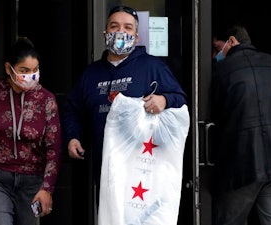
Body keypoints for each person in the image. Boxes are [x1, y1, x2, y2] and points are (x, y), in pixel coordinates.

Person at [63, 5, 187, 206]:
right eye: (115, 26)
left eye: (128, 27)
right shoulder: (91, 74)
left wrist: (164, 100)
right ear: (105, 34)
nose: (121, 32)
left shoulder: (152, 67)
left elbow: (180, 99)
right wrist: (72, 137)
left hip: (143, 169)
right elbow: (72, 109)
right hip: (106, 169)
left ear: (136, 37)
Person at [0, 37, 62, 225]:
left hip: (31, 180)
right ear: (9, 69)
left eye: (35, 70)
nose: (31, 75)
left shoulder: (46, 100)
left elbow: (54, 148)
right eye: (24, 70)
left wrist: (47, 188)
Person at [211, 23, 271, 225]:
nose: (214, 55)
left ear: (231, 41)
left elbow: (214, 114)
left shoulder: (221, 70)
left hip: (240, 165)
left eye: (216, 48)